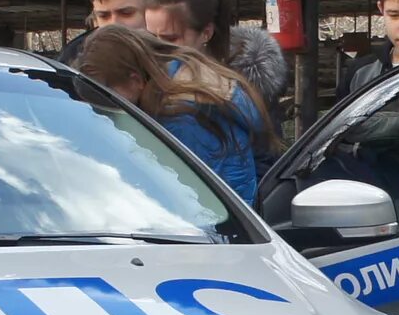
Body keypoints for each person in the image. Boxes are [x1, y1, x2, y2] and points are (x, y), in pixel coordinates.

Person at [73, 25, 266, 203]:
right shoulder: (176, 81)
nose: (105, 109)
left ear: (135, 80)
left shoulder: (180, 119)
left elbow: (182, 200)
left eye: (108, 95)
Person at [148, 0, 289, 123]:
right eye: (149, 35)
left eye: (171, 38)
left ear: (206, 33)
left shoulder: (244, 91)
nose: (157, 45)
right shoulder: (148, 77)